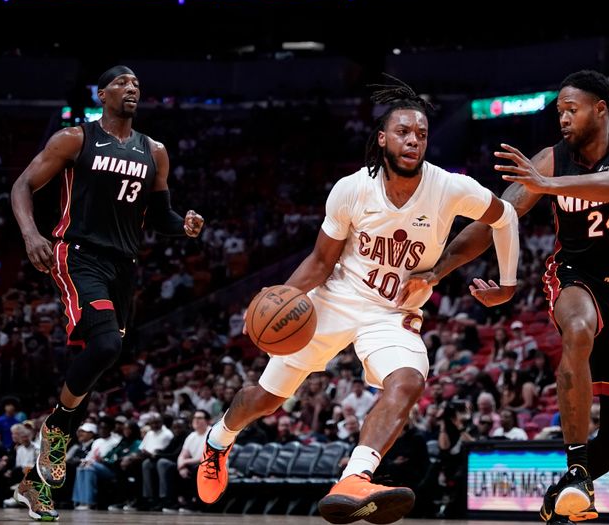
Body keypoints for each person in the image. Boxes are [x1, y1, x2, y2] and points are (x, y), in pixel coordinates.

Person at [196, 76, 520, 525]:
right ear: (383, 138)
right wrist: (278, 300)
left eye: (422, 134)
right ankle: (218, 440)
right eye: (404, 132)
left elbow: (504, 217)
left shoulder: (449, 187)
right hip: (334, 301)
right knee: (266, 399)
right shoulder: (351, 188)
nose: (414, 140)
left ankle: (355, 478)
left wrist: (506, 281)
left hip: (392, 312)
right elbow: (319, 260)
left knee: (408, 381)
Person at [404, 70, 609, 524]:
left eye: (571, 109)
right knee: (578, 328)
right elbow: (495, 220)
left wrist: (547, 186)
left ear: (600, 109)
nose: (562, 118)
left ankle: (562, 492)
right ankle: (577, 466)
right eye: (558, 110)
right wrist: (438, 270)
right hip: (574, 274)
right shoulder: (551, 160)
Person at [9, 65, 204, 521]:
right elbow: (22, 185)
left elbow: (162, 216)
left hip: (124, 266)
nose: (132, 88)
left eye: (137, 83)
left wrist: (186, 227)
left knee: (98, 364)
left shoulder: (154, 151)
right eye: (122, 82)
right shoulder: (74, 139)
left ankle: (34, 483)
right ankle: (55, 432)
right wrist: (30, 234)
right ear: (103, 93)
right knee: (105, 344)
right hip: (78, 255)